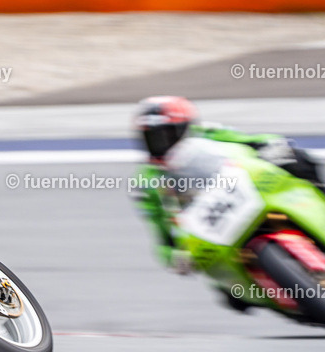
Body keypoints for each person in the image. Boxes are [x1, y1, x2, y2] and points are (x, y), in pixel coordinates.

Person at [133, 95, 324, 284]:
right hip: (208, 222)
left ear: (184, 128)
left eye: (165, 134)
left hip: (237, 188)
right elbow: (160, 232)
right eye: (151, 137)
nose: (159, 143)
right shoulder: (147, 179)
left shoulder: (208, 133)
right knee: (228, 291)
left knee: (295, 158)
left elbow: (248, 140)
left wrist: (271, 145)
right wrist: (175, 257)